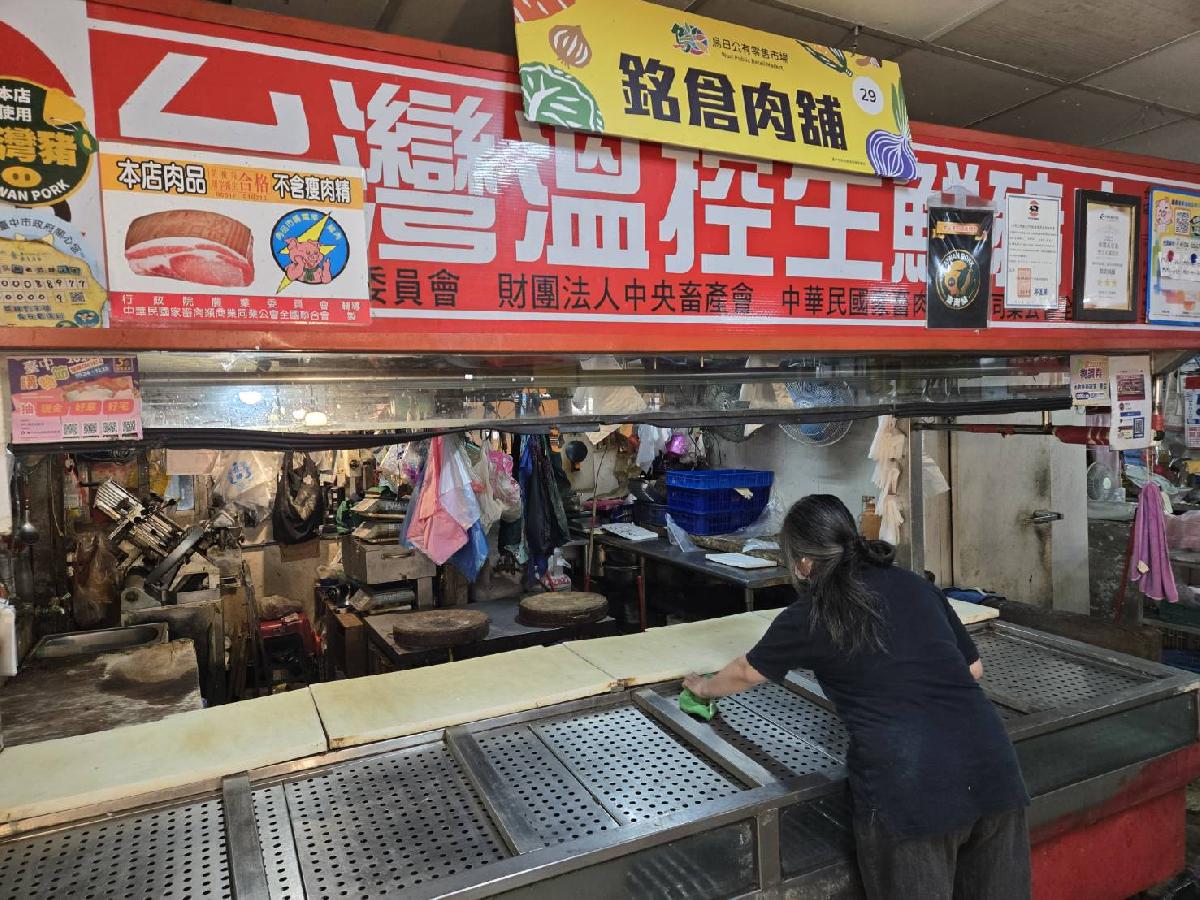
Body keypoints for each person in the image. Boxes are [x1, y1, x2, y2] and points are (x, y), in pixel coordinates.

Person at [683, 494, 1030, 900]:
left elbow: (746, 671)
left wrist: (702, 687)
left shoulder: (812, 613)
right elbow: (973, 669)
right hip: (993, 768)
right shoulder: (915, 585)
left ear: (803, 563)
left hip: (910, 789)